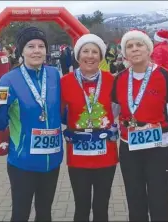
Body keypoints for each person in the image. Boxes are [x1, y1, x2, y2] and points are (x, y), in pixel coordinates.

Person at [0, 26, 63, 221]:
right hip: (23, 162)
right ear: (22, 51)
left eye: (40, 46)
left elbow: (62, 112)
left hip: (52, 161)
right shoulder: (7, 80)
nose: (36, 50)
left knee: (45, 213)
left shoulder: (55, 75)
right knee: (20, 214)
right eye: (30, 46)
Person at [113, 29, 168, 221]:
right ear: (125, 53)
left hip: (158, 147)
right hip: (129, 146)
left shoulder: (164, 76)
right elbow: (113, 112)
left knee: (159, 200)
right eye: (130, 46)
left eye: (139, 45)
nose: (135, 49)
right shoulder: (120, 78)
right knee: (135, 198)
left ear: (149, 49)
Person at [61, 34, 119, 222]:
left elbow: (122, 109)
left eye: (95, 52)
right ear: (78, 56)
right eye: (85, 51)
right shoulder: (65, 82)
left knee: (101, 207)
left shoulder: (112, 80)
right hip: (78, 156)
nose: (90, 56)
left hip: (106, 155)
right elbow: (57, 113)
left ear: (101, 57)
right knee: (81, 206)